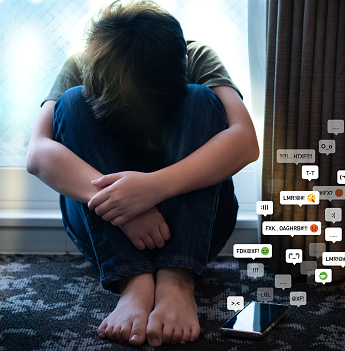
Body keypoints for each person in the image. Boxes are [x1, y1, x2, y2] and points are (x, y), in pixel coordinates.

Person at [26, 0, 259, 347]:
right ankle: (132, 281)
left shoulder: (193, 57)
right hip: (108, 230)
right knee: (72, 102)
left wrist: (152, 188)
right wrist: (120, 207)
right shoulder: (86, 61)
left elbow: (246, 142)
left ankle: (177, 280)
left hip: (194, 228)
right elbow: (37, 153)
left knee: (201, 99)